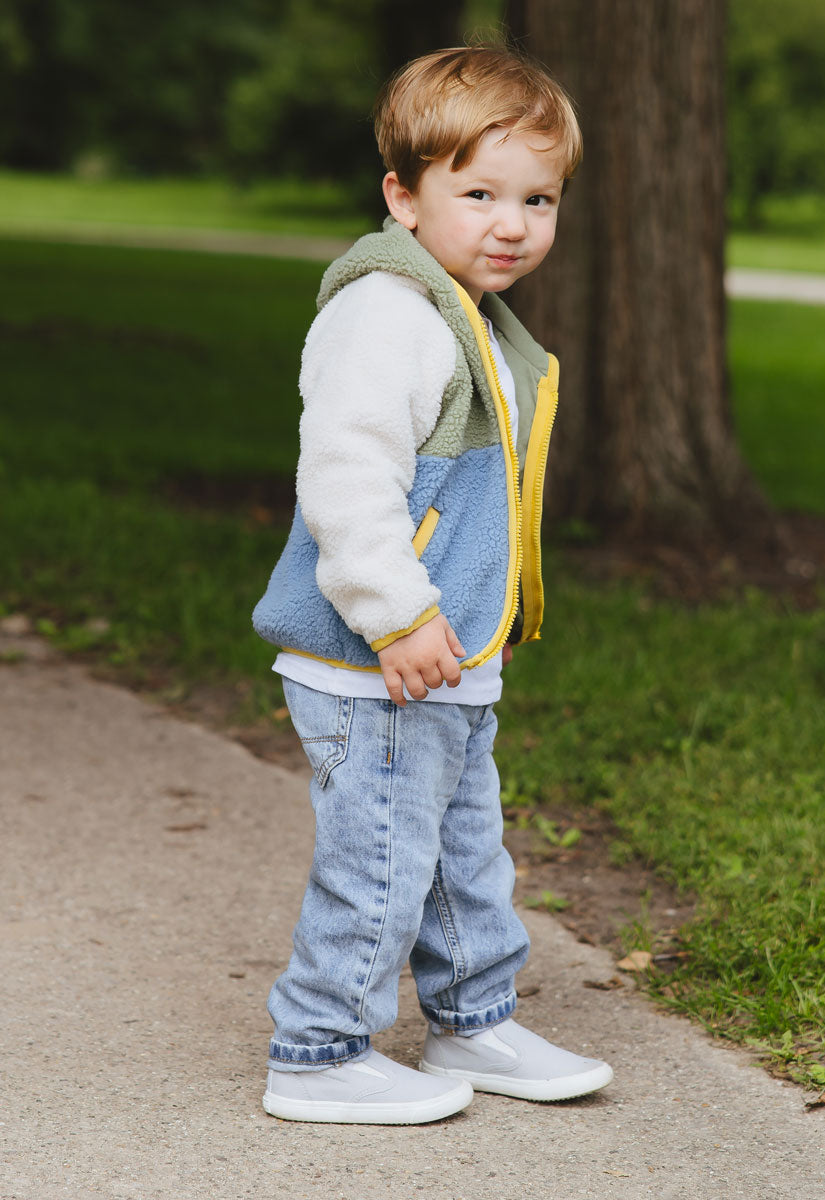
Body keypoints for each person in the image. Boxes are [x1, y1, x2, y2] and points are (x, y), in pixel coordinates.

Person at [252, 44, 613, 1125]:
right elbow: (349, 482)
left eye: (537, 198)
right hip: (378, 661)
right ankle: (317, 1053)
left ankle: (473, 1020)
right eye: (479, 193)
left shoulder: (476, 320)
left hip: (443, 661)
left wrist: (462, 627)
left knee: (463, 855)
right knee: (378, 862)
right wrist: (401, 614)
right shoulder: (387, 314)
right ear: (402, 196)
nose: (512, 223)